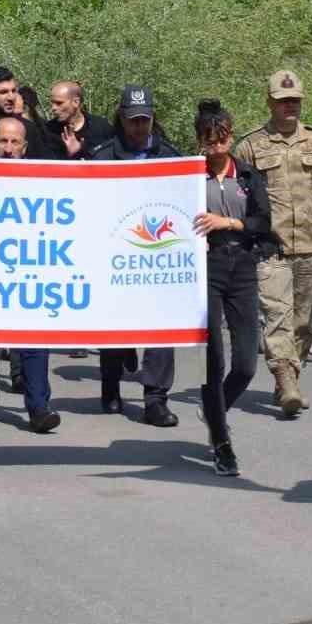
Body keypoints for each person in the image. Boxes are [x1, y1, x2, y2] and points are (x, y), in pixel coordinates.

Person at [232, 70, 312, 418]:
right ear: (270, 102)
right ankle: (285, 380)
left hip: (310, 247)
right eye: (283, 101)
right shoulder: (251, 146)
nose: (290, 107)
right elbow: (237, 194)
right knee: (277, 317)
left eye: (295, 101)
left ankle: (291, 376)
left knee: (304, 321)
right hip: (271, 248)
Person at [0, 117, 62, 434]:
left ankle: (38, 408)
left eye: (14, 142)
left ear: (25, 147)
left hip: (29, 272)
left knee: (34, 340)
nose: (8, 149)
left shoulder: (43, 181)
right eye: (2, 142)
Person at [90, 85, 183, 426]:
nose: (138, 127)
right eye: (132, 120)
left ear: (153, 118)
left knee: (161, 327)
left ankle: (156, 399)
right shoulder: (102, 156)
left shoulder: (172, 158)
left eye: (144, 120)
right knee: (116, 325)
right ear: (121, 117)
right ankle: (111, 383)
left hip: (157, 255)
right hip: (115, 254)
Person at [191, 100, 272, 477]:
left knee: (245, 363)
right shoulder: (190, 179)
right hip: (206, 268)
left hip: (242, 265)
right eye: (208, 141)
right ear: (199, 142)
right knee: (215, 358)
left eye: (221, 139)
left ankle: (215, 409)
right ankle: (222, 442)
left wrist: (228, 223)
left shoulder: (249, 178)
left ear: (231, 138)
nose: (216, 147)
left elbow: (261, 222)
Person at [45, 80, 115, 160]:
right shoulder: (48, 131)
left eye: (59, 103)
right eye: (52, 103)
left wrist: (81, 151)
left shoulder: (101, 127)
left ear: (76, 102)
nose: (53, 108)